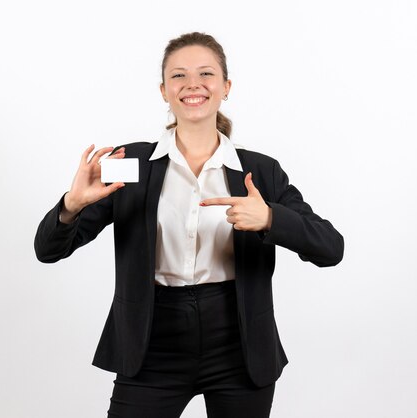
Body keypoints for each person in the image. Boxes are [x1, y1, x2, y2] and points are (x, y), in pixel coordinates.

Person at [35, 32, 344, 418]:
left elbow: (331, 248)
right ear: (164, 90)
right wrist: (72, 205)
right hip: (152, 343)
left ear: (225, 87)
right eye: (178, 76)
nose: (192, 84)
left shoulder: (260, 171)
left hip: (240, 344)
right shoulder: (128, 163)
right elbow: (47, 251)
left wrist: (269, 218)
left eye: (206, 74)